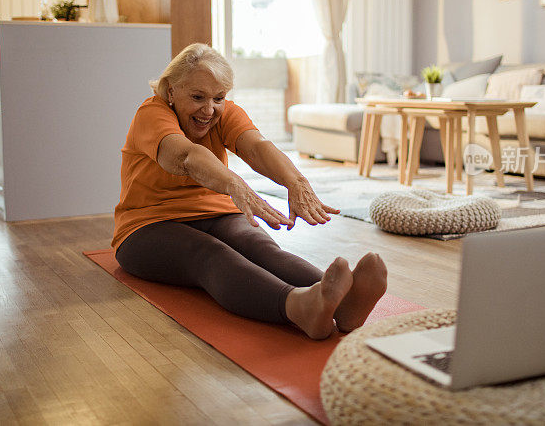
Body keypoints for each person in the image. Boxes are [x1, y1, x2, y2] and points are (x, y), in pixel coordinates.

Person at [112, 43, 387, 339]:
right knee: (210, 253)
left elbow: (257, 148)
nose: (209, 109)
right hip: (146, 227)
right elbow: (185, 157)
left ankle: (343, 303)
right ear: (170, 91)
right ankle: (298, 308)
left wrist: (296, 182)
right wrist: (233, 183)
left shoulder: (224, 113)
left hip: (215, 213)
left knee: (261, 248)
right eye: (197, 97)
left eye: (219, 98)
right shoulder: (151, 114)